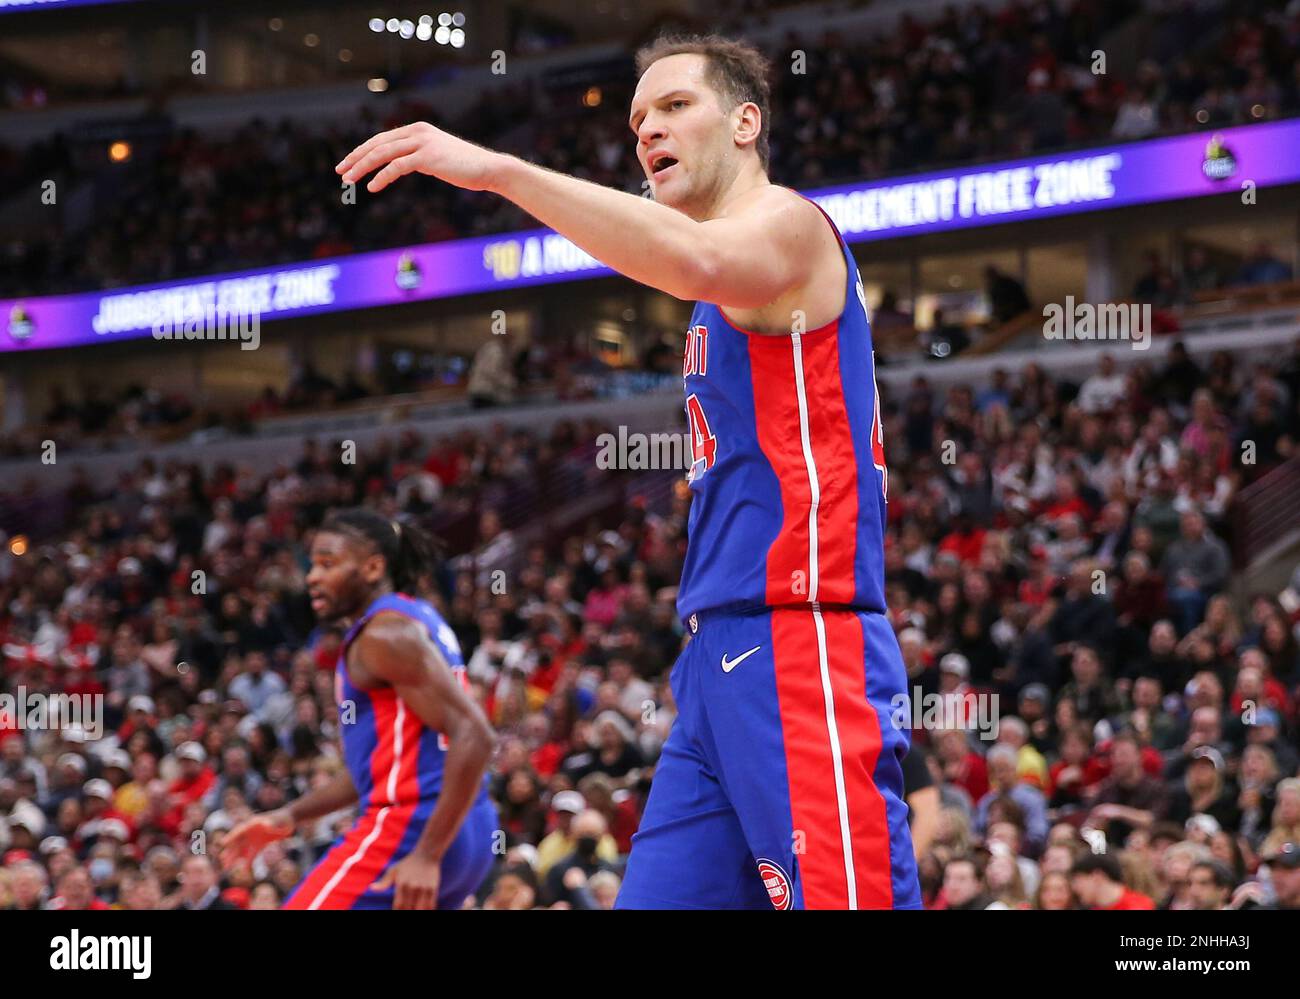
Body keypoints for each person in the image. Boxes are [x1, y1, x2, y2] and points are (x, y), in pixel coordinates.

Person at [336, 33, 918, 909]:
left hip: (803, 640)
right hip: (718, 657)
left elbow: (696, 258)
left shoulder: (788, 228)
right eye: (638, 119)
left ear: (746, 122)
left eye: (675, 107)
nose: (648, 130)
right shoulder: (712, 287)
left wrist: (497, 171)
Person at [222, 509, 497, 910]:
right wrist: (289, 816)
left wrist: (426, 854)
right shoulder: (418, 619)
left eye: (328, 564)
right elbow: (372, 769)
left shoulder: (383, 634)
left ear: (372, 567)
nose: (312, 576)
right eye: (312, 564)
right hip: (468, 824)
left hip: (412, 825)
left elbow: (476, 734)